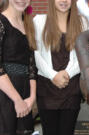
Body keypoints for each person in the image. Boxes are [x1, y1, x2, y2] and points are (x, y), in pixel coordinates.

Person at [33, 0, 88, 135]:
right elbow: (35, 53)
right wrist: (53, 75)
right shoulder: (39, 21)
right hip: (47, 88)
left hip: (72, 87)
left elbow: (86, 53)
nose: (64, 1)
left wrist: (67, 73)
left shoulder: (82, 22)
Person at [0, 0, 37, 135]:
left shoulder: (28, 25)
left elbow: (32, 66)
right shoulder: (1, 22)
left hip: (25, 94)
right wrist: (17, 100)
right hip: (5, 95)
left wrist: (31, 98)